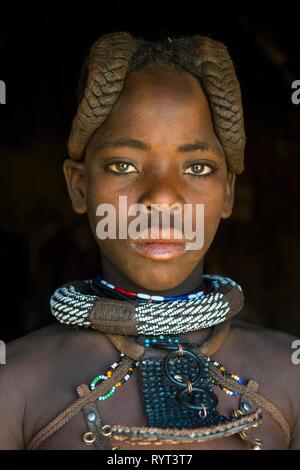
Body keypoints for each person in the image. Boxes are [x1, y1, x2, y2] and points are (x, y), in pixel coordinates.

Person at [0, 32, 299, 450]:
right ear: (79, 186)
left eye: (197, 167)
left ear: (228, 192)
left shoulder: (292, 377)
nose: (161, 197)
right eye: (124, 164)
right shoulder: (14, 385)